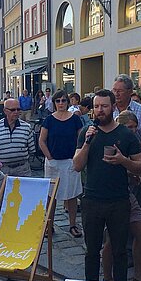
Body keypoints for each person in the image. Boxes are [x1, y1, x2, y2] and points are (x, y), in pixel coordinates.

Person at [73, 89, 141, 281]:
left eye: (104, 106)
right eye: (96, 106)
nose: (100, 110)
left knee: (119, 251)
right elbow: (76, 166)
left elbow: (139, 167)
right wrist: (86, 143)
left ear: (114, 107)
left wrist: (123, 161)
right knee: (91, 252)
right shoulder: (87, 132)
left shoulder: (126, 134)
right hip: (92, 201)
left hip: (118, 201)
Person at [101, 110, 141, 281]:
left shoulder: (132, 142)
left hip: (127, 195)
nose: (133, 130)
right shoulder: (112, 141)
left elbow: (135, 169)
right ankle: (108, 277)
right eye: (129, 127)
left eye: (135, 127)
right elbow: (108, 170)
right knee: (112, 238)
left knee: (140, 232)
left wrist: (137, 173)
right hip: (112, 195)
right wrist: (132, 170)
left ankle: (139, 275)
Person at [39, 89, 83, 238]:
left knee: (71, 194)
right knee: (51, 195)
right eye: (58, 101)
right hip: (53, 162)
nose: (61, 103)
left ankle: (73, 225)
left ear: (68, 101)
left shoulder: (75, 119)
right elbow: (42, 141)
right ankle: (49, 225)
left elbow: (81, 139)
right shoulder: (49, 120)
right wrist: (49, 158)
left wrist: (77, 156)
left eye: (63, 100)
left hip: (71, 161)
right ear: (54, 103)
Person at [0, 98, 35, 178]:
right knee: (2, 190)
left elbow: (31, 149)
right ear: (5, 111)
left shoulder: (26, 127)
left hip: (22, 169)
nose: (16, 112)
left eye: (18, 109)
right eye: (13, 110)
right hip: (2, 169)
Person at [112, 74, 141, 148]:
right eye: (114, 90)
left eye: (120, 91)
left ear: (130, 91)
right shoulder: (109, 109)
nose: (116, 94)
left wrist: (135, 146)